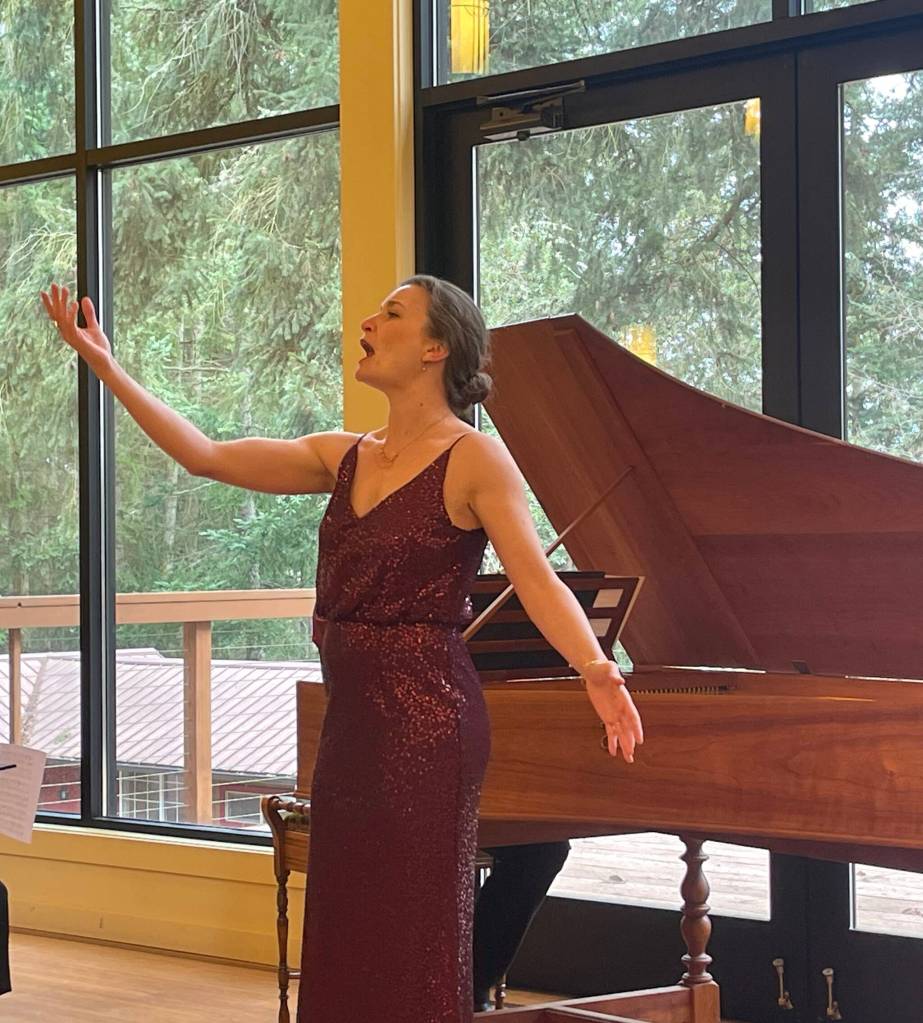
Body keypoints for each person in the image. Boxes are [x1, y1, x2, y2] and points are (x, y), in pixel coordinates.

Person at [40, 275, 643, 1023]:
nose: (366, 320)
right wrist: (105, 364)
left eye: (390, 313)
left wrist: (596, 668)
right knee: (348, 921)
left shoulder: (475, 460)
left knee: (412, 930)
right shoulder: (343, 454)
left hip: (430, 723)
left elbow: (536, 580)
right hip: (352, 724)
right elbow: (206, 456)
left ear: (434, 347)